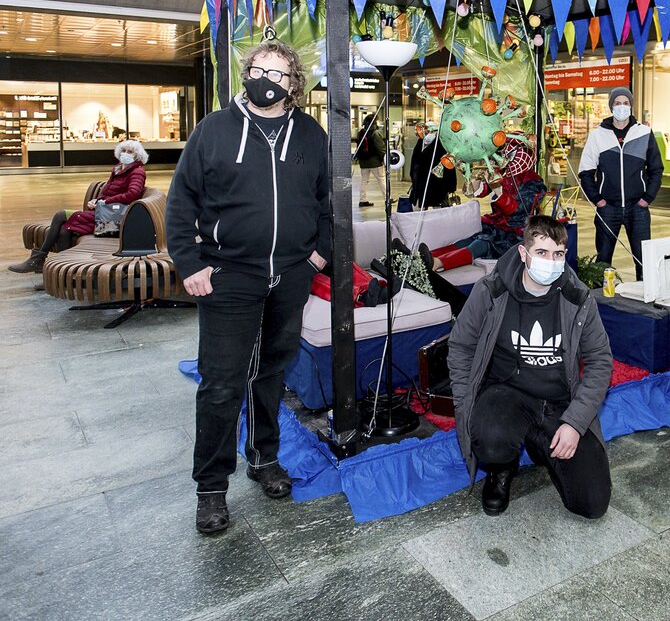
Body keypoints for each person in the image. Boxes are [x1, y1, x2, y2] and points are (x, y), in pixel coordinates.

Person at [165, 40, 330, 535]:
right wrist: (189, 261)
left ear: (293, 84)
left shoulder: (309, 133)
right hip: (229, 276)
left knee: (272, 373)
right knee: (221, 382)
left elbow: (328, 203)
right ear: (246, 72)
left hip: (291, 275)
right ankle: (211, 489)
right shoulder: (214, 130)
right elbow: (180, 202)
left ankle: (264, 458)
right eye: (259, 69)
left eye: (278, 74)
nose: (266, 79)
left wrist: (318, 255)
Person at [447, 215, 613, 518]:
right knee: (492, 439)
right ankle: (501, 469)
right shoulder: (491, 290)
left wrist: (575, 422)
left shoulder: (578, 297)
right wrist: (465, 402)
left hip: (559, 401)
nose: (551, 262)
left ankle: (540, 443)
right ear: (524, 254)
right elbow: (460, 346)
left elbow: (601, 360)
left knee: (591, 504)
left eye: (558, 254)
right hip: (507, 393)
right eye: (542, 252)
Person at [8, 140, 148, 273]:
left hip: (113, 219)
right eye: (123, 150)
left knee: (60, 215)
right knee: (64, 230)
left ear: (137, 155)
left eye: (130, 151)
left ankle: (38, 260)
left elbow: (133, 194)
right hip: (104, 213)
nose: (125, 153)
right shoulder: (118, 170)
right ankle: (62, 271)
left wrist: (105, 202)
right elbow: (108, 192)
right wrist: (97, 200)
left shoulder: (137, 171)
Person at [418, 134, 547, 273]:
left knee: (482, 243)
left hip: (518, 233)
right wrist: (477, 180)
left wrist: (497, 189)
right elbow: (479, 191)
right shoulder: (503, 173)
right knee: (467, 240)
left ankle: (436, 263)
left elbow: (517, 209)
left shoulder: (534, 182)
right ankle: (422, 257)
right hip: (497, 225)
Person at [578, 87, 663, 279]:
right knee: (602, 261)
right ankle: (599, 301)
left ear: (631, 106)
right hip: (608, 208)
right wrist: (598, 200)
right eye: (617, 103)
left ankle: (645, 299)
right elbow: (585, 171)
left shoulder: (644, 133)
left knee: (643, 260)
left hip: (638, 208)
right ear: (611, 107)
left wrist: (647, 198)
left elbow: (656, 169)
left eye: (626, 103)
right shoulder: (597, 136)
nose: (622, 107)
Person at [408, 129, 455, 209]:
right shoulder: (421, 143)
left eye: (432, 132)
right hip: (425, 186)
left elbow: (449, 166)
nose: (429, 134)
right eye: (428, 131)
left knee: (436, 209)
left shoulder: (441, 145)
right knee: (426, 208)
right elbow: (414, 164)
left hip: (435, 186)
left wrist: (451, 186)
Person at [355, 114, 387, 207]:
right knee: (381, 179)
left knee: (364, 180)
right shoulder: (375, 133)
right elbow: (380, 148)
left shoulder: (361, 132)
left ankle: (362, 200)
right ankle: (387, 198)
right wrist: (384, 158)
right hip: (375, 162)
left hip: (363, 161)